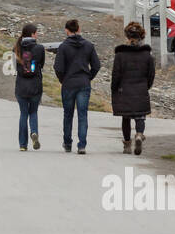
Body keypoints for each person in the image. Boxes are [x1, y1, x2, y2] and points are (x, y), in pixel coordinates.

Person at [53, 18, 101, 153]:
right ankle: (82, 145)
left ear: (66, 30)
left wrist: (63, 80)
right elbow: (96, 65)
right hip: (83, 82)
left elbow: (58, 68)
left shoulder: (63, 47)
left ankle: (67, 143)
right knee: (82, 114)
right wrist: (88, 77)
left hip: (68, 83)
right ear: (79, 29)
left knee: (68, 114)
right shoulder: (88, 45)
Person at [111, 21, 155, 155]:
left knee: (126, 118)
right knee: (140, 116)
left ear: (127, 36)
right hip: (141, 89)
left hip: (124, 90)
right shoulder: (147, 55)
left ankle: (127, 145)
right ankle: (139, 135)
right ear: (141, 36)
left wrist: (114, 89)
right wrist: (145, 86)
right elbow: (151, 75)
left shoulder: (120, 55)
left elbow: (116, 75)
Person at [13, 23, 46, 151]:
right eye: (36, 33)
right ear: (32, 34)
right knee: (33, 112)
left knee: (23, 113)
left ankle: (22, 144)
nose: (37, 35)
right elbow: (41, 65)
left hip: (21, 86)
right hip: (35, 86)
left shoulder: (16, 48)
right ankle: (34, 131)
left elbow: (14, 68)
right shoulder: (39, 48)